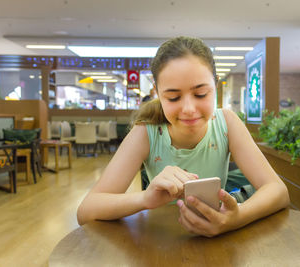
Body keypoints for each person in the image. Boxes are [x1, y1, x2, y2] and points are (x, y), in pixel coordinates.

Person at [77, 36, 289, 237]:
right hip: (160, 242)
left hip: (216, 243)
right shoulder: (146, 132)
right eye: (173, 97)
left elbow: (278, 191)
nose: (188, 108)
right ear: (158, 94)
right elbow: (86, 211)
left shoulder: (227, 123)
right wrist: (145, 198)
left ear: (215, 86)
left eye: (200, 94)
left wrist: (236, 218)